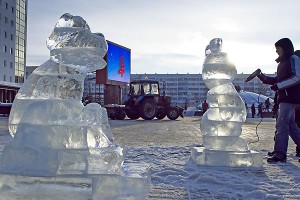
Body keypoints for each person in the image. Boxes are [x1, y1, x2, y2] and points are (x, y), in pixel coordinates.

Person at [257, 38, 300, 163]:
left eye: (278, 48)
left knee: (282, 125)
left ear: (285, 48)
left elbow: (297, 77)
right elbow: (278, 79)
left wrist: (279, 86)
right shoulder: (282, 63)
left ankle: (280, 155)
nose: (276, 51)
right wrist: (263, 78)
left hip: (289, 98)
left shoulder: (293, 59)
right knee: (291, 127)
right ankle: (280, 152)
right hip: (284, 98)